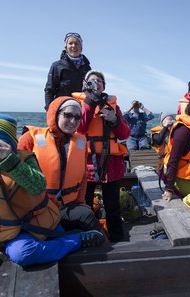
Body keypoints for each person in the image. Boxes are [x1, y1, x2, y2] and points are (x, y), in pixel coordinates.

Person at [0, 114, 104, 267]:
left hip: (43, 221)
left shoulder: (25, 160)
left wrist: (9, 161)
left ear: (10, 145)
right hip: (10, 230)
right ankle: (75, 240)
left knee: (84, 219)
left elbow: (38, 186)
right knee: (23, 254)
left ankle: (70, 240)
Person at [18, 96, 101, 232]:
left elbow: (83, 176)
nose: (73, 121)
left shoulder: (80, 142)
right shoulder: (29, 139)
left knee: (89, 218)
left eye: (78, 117)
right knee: (85, 219)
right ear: (55, 114)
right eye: (68, 115)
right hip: (38, 207)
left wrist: (81, 202)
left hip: (68, 205)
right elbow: (11, 175)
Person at [73, 70, 131, 242]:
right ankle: (88, 237)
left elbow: (125, 134)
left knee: (113, 206)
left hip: (111, 164)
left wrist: (115, 119)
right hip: (87, 163)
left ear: (104, 86)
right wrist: (90, 101)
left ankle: (117, 238)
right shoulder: (77, 104)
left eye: (99, 81)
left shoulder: (113, 106)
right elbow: (79, 128)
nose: (95, 83)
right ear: (85, 85)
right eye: (91, 81)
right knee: (85, 204)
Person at [44, 32, 91, 111]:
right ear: (66, 47)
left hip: (81, 109)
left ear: (81, 47)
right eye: (70, 43)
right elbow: (49, 90)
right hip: (62, 109)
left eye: (76, 43)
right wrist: (49, 109)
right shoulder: (56, 66)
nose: (73, 46)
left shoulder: (88, 68)